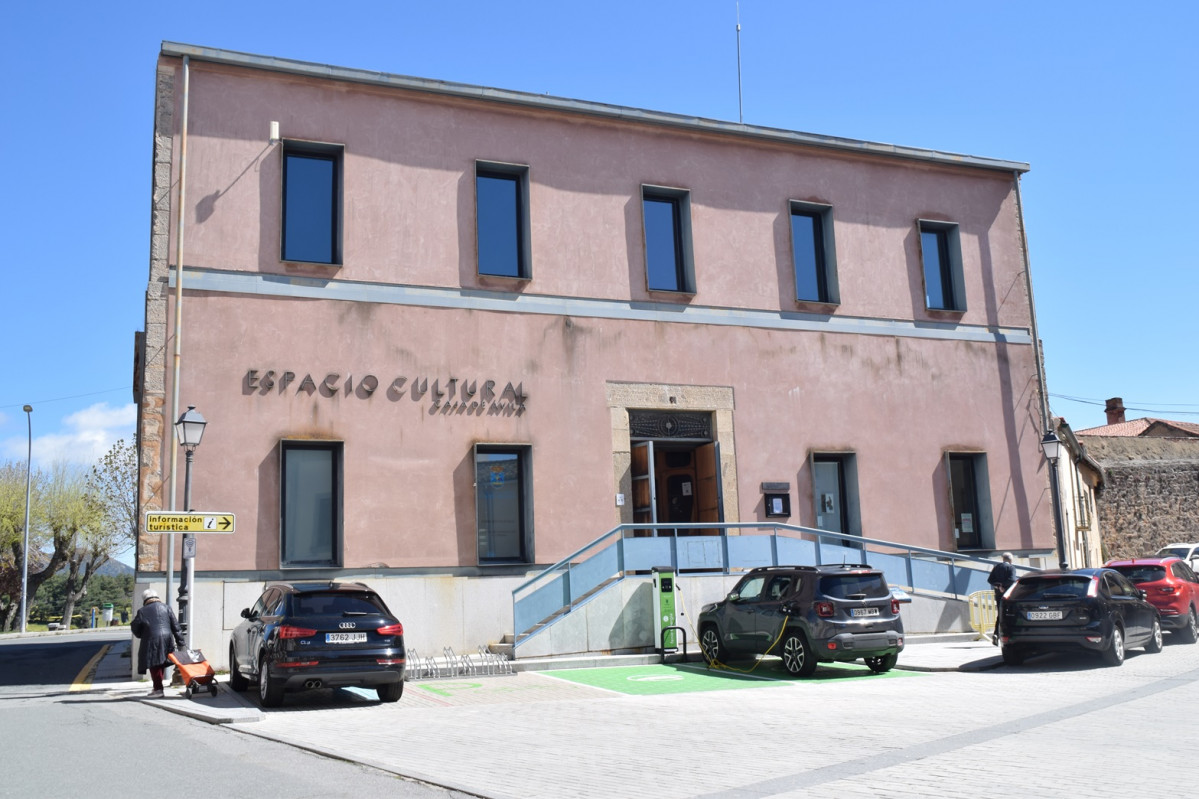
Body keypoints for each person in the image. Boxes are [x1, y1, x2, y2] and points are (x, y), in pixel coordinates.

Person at [130, 588, 184, 698]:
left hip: (152, 639)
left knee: (154, 664)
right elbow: (176, 626)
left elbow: (134, 626)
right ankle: (157, 688)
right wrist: (180, 641)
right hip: (167, 639)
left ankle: (158, 689)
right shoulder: (166, 608)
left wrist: (141, 634)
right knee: (161, 663)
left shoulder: (142, 611)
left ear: (145, 599)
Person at [987, 552, 1016, 645]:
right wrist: (1003, 586)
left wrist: (998, 586)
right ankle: (1008, 634)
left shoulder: (997, 567)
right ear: (1011, 560)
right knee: (1010, 614)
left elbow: (990, 580)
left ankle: (996, 634)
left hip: (998, 594)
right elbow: (1012, 580)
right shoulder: (1011, 567)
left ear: (1003, 559)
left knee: (1000, 614)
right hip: (1008, 594)